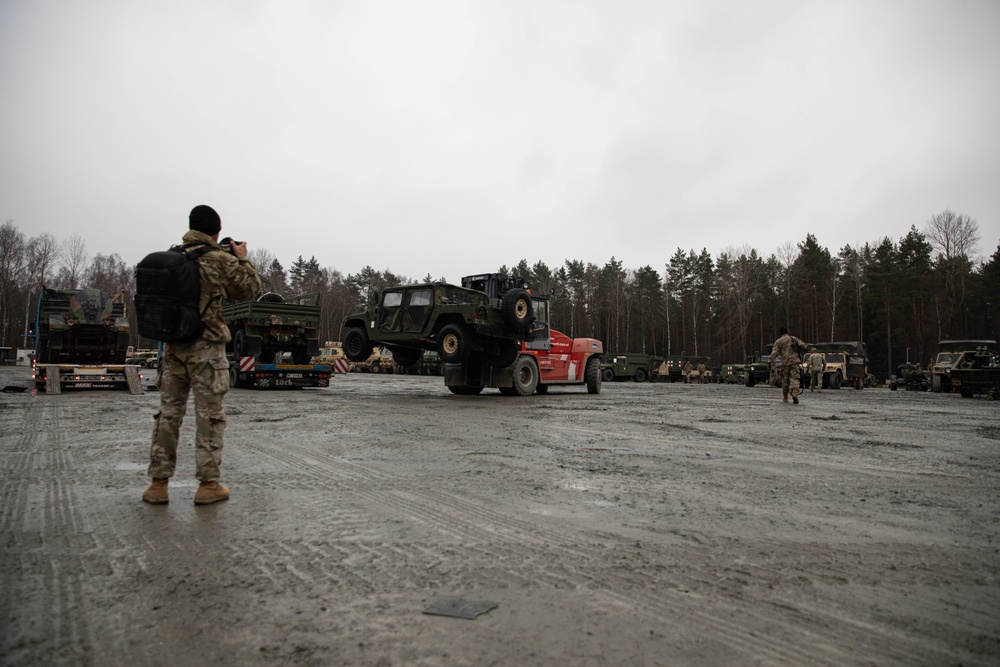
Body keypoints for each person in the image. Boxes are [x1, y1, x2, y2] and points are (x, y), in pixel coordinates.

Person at [142, 205, 261, 505]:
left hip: (173, 348)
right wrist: (243, 257)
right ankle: (208, 485)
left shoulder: (174, 258)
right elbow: (249, 289)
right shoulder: (217, 260)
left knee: (168, 415)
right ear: (216, 231)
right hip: (206, 349)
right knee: (209, 416)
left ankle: (158, 485)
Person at [769, 327, 808, 404]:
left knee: (785, 381)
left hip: (784, 363)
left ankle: (785, 397)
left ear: (780, 333)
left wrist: (772, 362)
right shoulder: (793, 339)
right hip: (794, 362)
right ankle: (795, 393)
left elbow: (774, 353)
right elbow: (803, 345)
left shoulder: (778, 341)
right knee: (795, 378)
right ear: (787, 332)